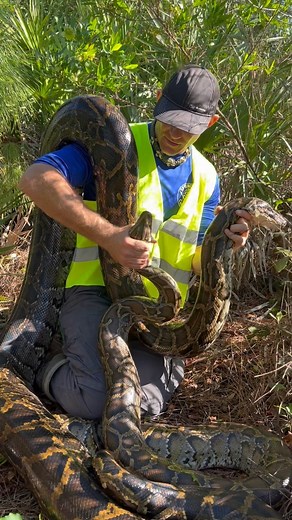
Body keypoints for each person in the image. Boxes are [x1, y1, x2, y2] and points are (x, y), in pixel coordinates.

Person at [19, 64, 250, 420]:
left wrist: (226, 245)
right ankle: (47, 368)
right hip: (93, 291)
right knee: (97, 402)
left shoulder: (207, 176)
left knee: (141, 405)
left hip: (152, 308)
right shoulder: (114, 143)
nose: (176, 131)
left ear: (210, 125)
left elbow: (195, 256)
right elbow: (35, 180)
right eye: (170, 117)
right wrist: (109, 236)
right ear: (158, 101)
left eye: (190, 126)